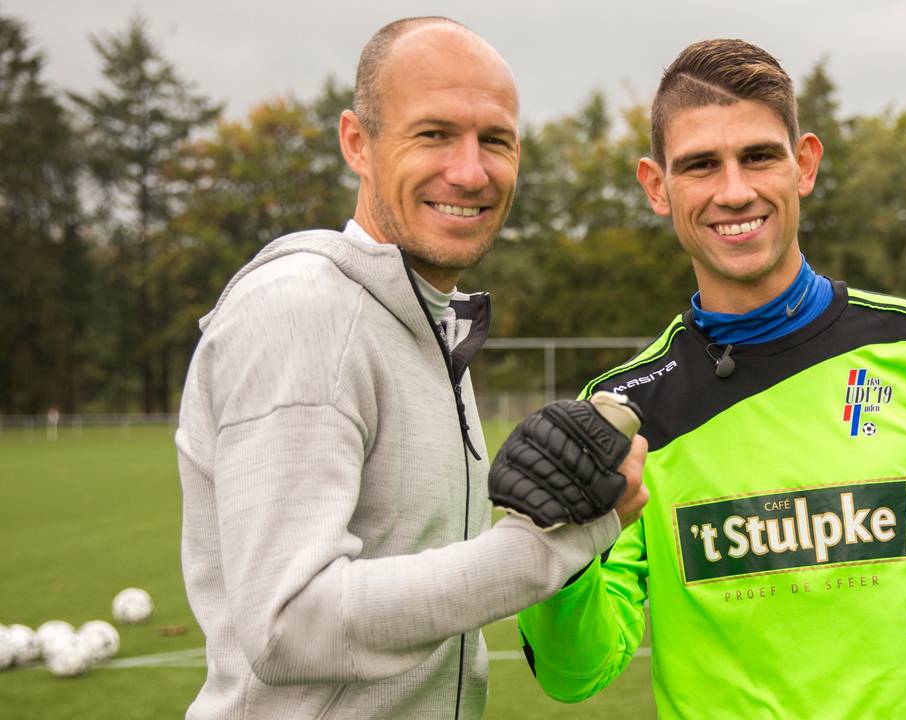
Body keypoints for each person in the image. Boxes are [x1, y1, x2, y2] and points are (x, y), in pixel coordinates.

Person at [517, 38, 906, 719]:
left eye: (758, 156)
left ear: (804, 165)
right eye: (701, 165)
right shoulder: (624, 413)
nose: (735, 191)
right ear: (657, 187)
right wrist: (562, 560)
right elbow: (574, 673)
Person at [175, 17, 646, 720]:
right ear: (357, 143)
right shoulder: (305, 312)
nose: (470, 170)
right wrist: (551, 546)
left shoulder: (422, 320)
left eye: (495, 140)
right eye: (433, 134)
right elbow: (289, 625)